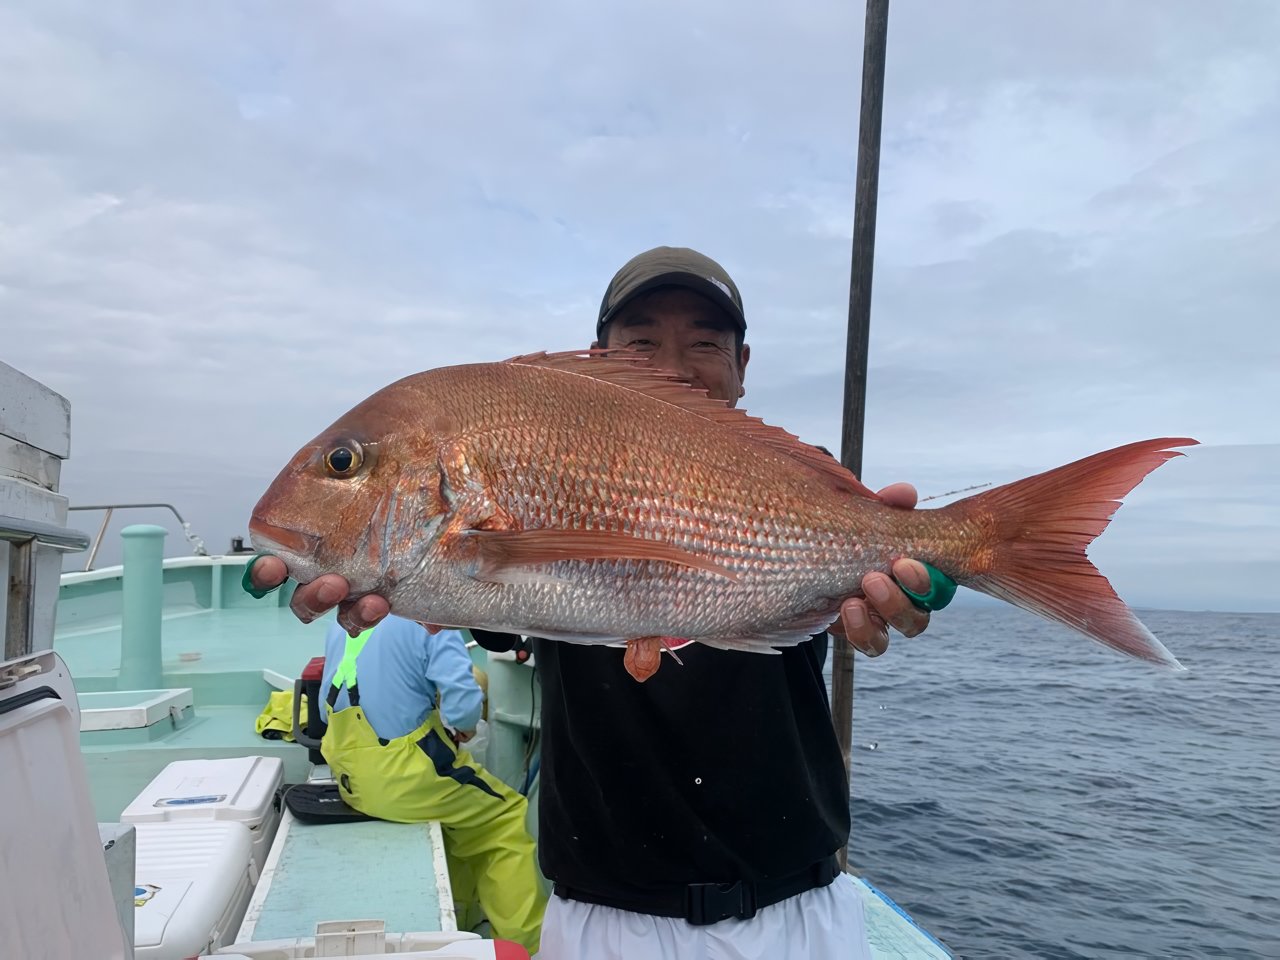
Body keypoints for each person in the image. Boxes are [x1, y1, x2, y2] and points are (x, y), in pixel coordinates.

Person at [246, 246, 955, 959]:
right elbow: (496, 616)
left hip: (798, 907)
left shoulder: (801, 484)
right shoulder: (547, 443)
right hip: (603, 914)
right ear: (599, 358)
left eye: (705, 343)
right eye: (642, 342)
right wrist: (405, 587)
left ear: (743, 367)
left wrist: (920, 576)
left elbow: (879, 597)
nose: (675, 367)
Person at [317, 613, 547, 955]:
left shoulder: (344, 618)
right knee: (504, 818)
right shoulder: (432, 621)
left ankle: (461, 923)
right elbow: (464, 700)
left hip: (350, 774)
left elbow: (324, 710)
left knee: (462, 819)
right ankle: (527, 947)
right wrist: (462, 728)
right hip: (405, 775)